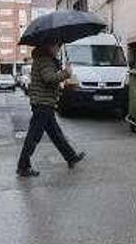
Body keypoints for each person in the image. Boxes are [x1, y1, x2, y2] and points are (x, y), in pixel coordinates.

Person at [16, 43, 85, 177]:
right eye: (56, 46)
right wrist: (66, 73)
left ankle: (70, 157)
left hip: (44, 102)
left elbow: (49, 78)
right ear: (49, 47)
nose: (58, 49)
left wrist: (59, 69)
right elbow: (49, 78)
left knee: (56, 134)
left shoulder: (45, 59)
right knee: (34, 136)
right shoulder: (45, 60)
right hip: (42, 103)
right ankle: (23, 166)